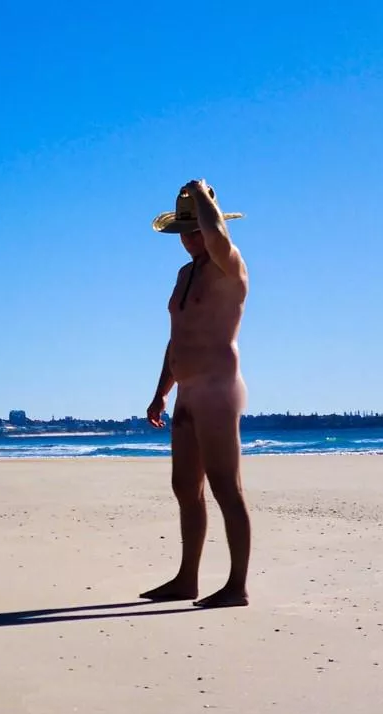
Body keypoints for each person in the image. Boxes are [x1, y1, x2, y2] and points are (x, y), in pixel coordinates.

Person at [140, 179, 253, 609]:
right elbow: (177, 338)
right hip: (186, 391)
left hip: (219, 391)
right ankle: (187, 579)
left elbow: (217, 236)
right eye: (183, 231)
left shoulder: (229, 265)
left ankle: (236, 586)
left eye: (196, 229)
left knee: (226, 486)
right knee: (186, 487)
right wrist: (160, 392)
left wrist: (205, 198)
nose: (190, 238)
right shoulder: (185, 274)